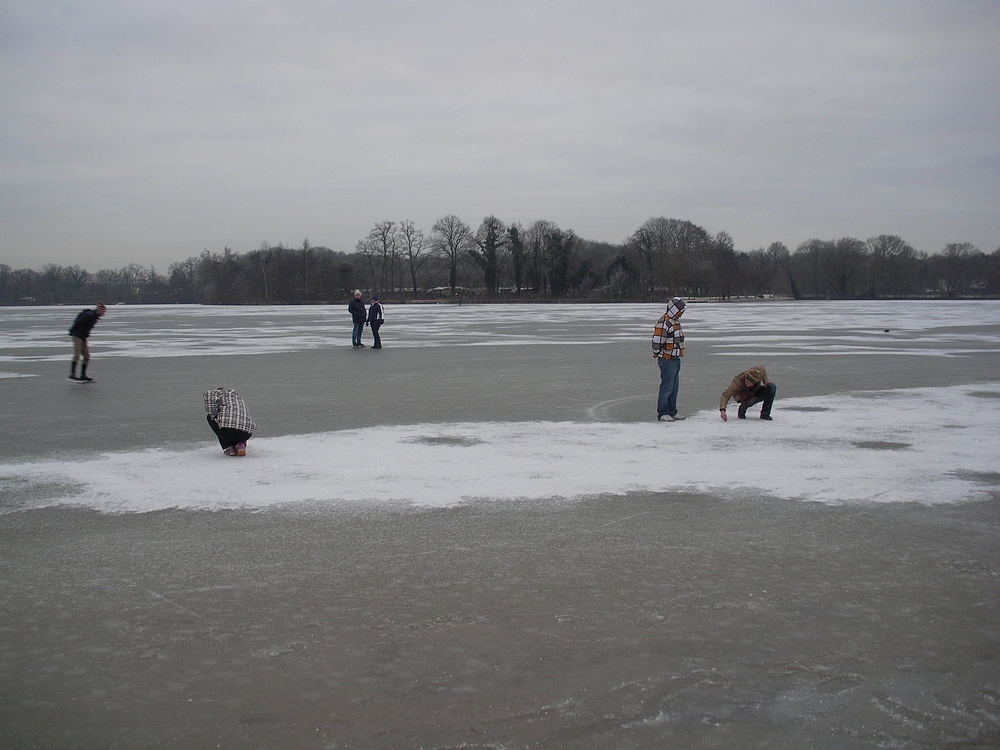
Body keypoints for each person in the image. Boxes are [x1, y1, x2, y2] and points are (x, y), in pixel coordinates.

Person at [651, 297, 686, 421]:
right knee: (667, 386)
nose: (681, 313)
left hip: (675, 359)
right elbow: (657, 340)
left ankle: (672, 411)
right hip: (667, 359)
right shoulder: (664, 322)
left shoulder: (675, 321)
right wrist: (656, 352)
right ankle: (663, 412)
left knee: (674, 386)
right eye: (680, 311)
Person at [204, 387, 256, 456]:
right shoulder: (237, 397)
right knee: (236, 422)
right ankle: (241, 444)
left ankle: (229, 447)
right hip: (247, 433)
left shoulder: (213, 395)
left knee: (211, 418)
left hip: (228, 432)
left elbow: (211, 412)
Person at [68, 302, 106, 381]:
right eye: (103, 311)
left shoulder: (94, 317)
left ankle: (83, 375)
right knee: (77, 355)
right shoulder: (89, 315)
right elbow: (78, 322)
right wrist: (72, 331)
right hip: (77, 336)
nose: (104, 313)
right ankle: (72, 374)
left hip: (83, 337)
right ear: (99, 310)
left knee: (87, 356)